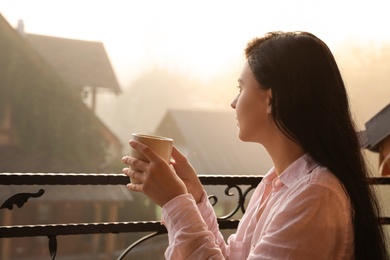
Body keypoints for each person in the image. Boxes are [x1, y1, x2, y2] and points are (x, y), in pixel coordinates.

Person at [122, 31, 389, 259]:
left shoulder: (316, 195)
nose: (233, 102)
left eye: (241, 88)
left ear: (270, 100)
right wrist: (195, 198)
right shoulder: (277, 184)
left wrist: (174, 202)